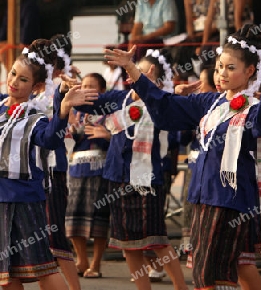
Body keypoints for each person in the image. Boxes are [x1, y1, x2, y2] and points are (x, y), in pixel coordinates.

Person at [105, 23, 261, 289]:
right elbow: (166, 104)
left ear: (250, 71)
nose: (221, 74)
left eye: (230, 68)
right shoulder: (210, 103)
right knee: (236, 265)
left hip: (231, 200)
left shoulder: (255, 108)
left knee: (209, 273)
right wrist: (134, 70)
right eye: (218, 67)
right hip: (203, 196)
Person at [57, 49, 188, 290]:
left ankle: (182, 287)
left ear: (155, 79)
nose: (133, 75)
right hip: (117, 178)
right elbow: (91, 103)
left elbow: (176, 116)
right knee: (127, 242)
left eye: (140, 72)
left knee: (157, 240)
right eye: (132, 70)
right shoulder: (119, 98)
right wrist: (72, 89)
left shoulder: (160, 103)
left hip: (148, 180)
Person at [0, 38, 97, 290]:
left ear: (37, 85)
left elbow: (51, 138)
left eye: (23, 79)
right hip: (1, 199)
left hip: (24, 199)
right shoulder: (0, 107)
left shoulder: (34, 116)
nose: (14, 82)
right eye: (13, 74)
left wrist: (63, 107)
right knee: (6, 273)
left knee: (44, 266)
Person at [31, 34, 82, 290]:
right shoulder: (31, 90)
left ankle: (74, 288)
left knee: (54, 235)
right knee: (40, 238)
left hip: (51, 167)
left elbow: (62, 128)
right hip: (31, 170)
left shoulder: (58, 88)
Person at [65, 73, 111, 279]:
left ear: (102, 91)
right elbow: (67, 140)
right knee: (73, 218)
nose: (86, 89)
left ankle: (96, 263)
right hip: (77, 170)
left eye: (91, 87)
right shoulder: (75, 111)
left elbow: (123, 138)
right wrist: (70, 125)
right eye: (83, 86)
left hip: (100, 170)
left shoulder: (111, 112)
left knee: (99, 220)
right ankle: (81, 260)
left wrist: (108, 135)